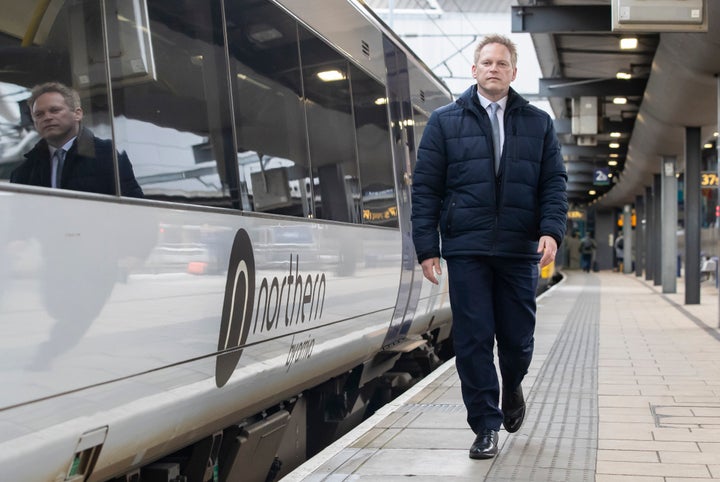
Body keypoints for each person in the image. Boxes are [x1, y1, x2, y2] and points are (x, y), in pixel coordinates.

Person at [411, 34, 568, 459]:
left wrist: (551, 229)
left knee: (516, 340)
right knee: (474, 339)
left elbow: (554, 183)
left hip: (519, 249)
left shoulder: (538, 123)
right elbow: (426, 188)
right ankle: (484, 425)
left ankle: (512, 384)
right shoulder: (444, 122)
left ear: (514, 72)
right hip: (467, 248)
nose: (494, 68)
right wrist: (428, 247)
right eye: (487, 62)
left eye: (502, 63)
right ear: (474, 70)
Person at [10, 82, 143, 197]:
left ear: (77, 114)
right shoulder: (23, 172)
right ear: (34, 121)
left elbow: (134, 208)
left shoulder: (107, 155)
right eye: (39, 114)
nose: (47, 117)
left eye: (55, 110)